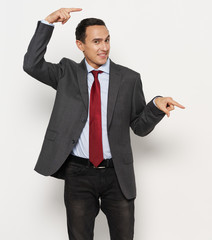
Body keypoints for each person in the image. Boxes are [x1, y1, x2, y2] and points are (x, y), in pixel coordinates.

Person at [23, 7, 184, 240]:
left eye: (107, 40)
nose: (104, 47)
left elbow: (139, 127)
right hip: (78, 174)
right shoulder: (66, 73)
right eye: (96, 41)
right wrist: (47, 22)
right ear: (80, 45)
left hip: (117, 175)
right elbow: (31, 65)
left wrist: (155, 107)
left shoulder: (129, 78)